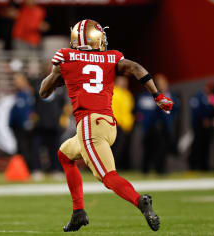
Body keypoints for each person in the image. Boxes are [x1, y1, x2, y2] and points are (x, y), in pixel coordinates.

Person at [39, 19, 173, 232]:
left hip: (89, 125)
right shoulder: (112, 57)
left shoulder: (66, 56)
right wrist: (157, 96)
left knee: (109, 177)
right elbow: (136, 68)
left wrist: (57, 72)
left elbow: (43, 92)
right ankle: (78, 212)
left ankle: (140, 201)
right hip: (108, 124)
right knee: (64, 154)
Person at [136, 74, 176, 174]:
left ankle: (161, 169)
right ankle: (145, 170)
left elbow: (174, 112)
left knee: (163, 150)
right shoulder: (147, 96)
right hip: (150, 128)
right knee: (149, 150)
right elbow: (140, 112)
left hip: (164, 128)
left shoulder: (170, 96)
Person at [111, 76, 135, 170]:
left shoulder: (127, 94)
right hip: (115, 124)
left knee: (121, 148)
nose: (124, 83)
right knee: (113, 147)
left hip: (126, 125)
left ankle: (116, 166)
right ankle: (109, 166)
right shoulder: (113, 92)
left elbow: (129, 110)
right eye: (122, 81)